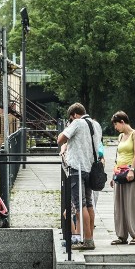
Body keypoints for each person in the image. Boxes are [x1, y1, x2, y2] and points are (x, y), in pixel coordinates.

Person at [58, 103, 102, 250]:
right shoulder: (96, 125)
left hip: (76, 168)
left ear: (75, 115)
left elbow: (60, 139)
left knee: (79, 205)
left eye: (70, 119)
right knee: (89, 204)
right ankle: (90, 238)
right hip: (90, 169)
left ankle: (87, 241)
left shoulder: (77, 123)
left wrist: (68, 126)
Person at [109, 111, 135, 245]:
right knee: (119, 204)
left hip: (129, 171)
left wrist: (132, 170)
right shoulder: (120, 136)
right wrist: (113, 175)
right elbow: (118, 157)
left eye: (116, 124)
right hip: (119, 171)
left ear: (122, 122)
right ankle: (121, 235)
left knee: (131, 203)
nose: (115, 127)